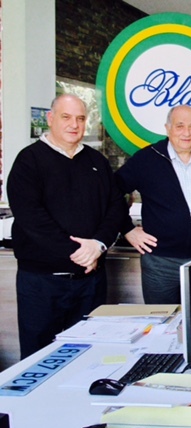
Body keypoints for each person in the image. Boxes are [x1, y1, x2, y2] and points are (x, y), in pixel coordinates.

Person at [7, 94, 128, 358]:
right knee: (39, 359)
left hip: (91, 281)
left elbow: (116, 207)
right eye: (66, 117)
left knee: (90, 356)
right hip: (42, 283)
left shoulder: (97, 161)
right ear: (50, 119)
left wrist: (98, 245)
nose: (74, 124)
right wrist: (79, 254)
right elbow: (32, 218)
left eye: (80, 118)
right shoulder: (29, 161)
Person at [115, 105, 191, 304]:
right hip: (160, 263)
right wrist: (127, 229)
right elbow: (111, 193)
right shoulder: (146, 159)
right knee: (162, 319)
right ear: (168, 128)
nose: (187, 133)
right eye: (180, 126)